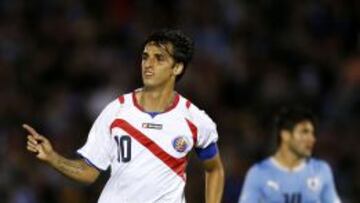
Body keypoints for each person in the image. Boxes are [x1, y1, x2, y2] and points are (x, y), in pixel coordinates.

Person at [24, 29, 224, 203]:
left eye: (159, 58)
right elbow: (89, 172)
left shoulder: (195, 120)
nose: (148, 63)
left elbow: (214, 169)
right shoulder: (117, 111)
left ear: (177, 67)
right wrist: (53, 158)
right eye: (145, 56)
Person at [238, 106, 341, 203]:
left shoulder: (321, 170)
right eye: (304, 132)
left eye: (312, 133)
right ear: (285, 135)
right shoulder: (258, 173)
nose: (312, 139)